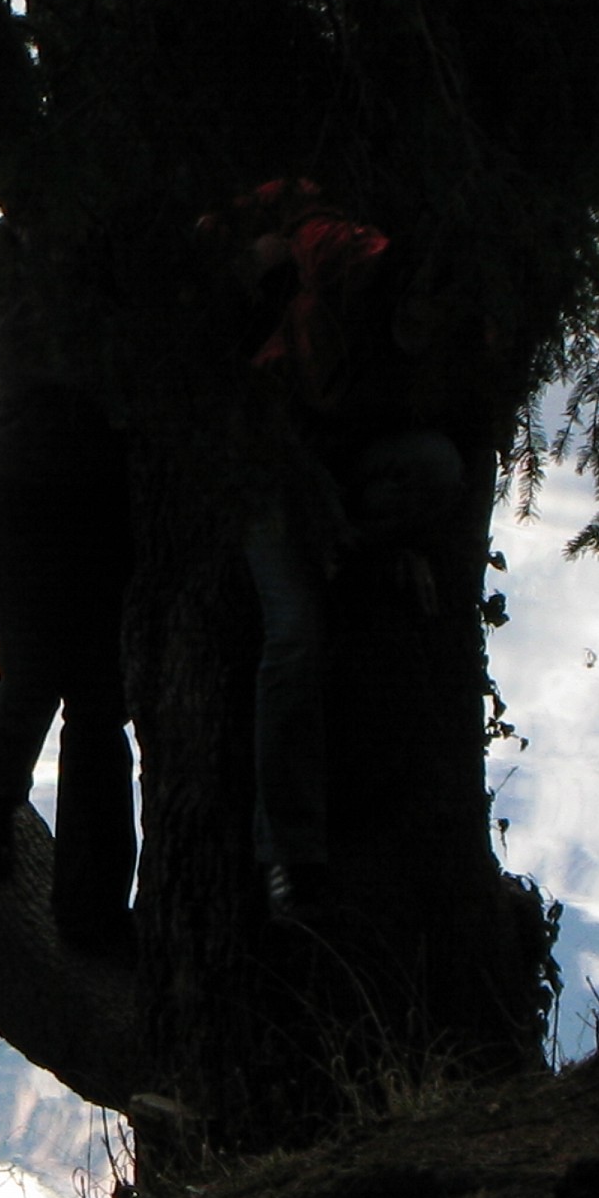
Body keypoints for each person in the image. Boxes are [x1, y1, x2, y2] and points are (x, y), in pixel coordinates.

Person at [205, 180, 463, 917]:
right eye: (417, 307)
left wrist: (399, 538)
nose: (422, 325)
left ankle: (360, 545)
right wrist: (241, 247)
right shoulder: (338, 255)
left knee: (436, 466)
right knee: (295, 638)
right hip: (272, 466)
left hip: (349, 468)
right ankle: (287, 850)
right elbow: (269, 203)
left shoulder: (450, 351)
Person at [0, 222, 138, 959]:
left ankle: (90, 909)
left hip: (96, 501)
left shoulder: (105, 243)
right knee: (34, 668)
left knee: (99, 703)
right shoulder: (22, 253)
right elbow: (45, 361)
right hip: (21, 494)